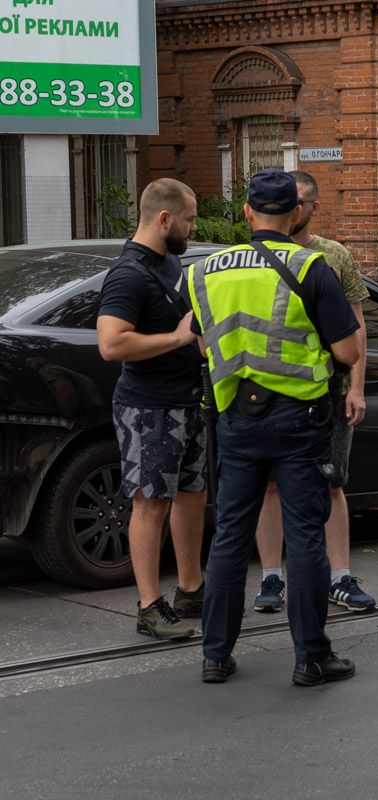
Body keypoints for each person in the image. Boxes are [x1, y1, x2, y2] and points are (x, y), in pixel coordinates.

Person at [188, 169, 362, 686]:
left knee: (229, 535)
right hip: (299, 419)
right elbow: (348, 352)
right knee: (305, 535)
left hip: (236, 419)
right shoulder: (311, 267)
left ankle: (215, 655)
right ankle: (311, 658)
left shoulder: (208, 269)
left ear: (246, 212)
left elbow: (202, 339)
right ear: (295, 213)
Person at [252, 170, 373, 615]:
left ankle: (339, 577)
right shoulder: (255, 256)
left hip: (329, 393)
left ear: (312, 207)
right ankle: (271, 576)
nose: (293, 207)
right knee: (270, 487)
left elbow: (356, 327)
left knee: (331, 483)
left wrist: (356, 387)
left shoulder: (333, 256)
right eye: (289, 201)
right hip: (271, 393)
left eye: (300, 200)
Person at [97, 178, 206, 641]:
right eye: (189, 219)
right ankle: (148, 606)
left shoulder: (170, 262)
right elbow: (111, 343)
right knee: (150, 503)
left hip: (187, 400)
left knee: (192, 495)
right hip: (149, 408)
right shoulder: (129, 274)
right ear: (164, 218)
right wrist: (179, 338)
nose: (193, 227)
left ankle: (191, 590)